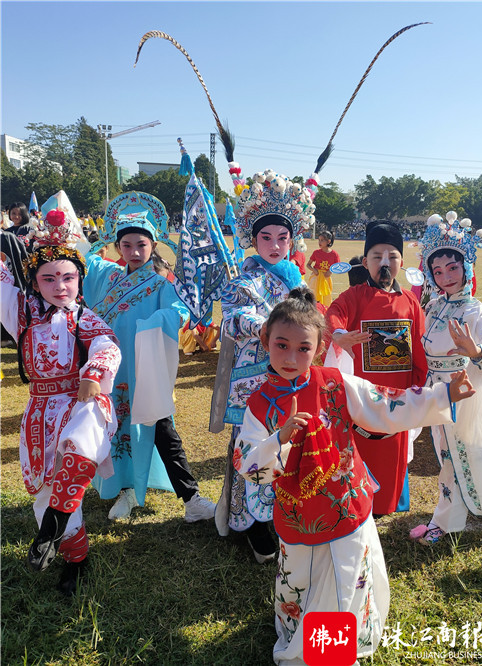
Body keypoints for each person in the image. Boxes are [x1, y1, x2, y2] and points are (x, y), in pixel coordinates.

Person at [234, 287, 474, 664]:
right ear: (266, 340)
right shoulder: (259, 402)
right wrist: (278, 439)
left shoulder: (334, 382)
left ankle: (335, 649)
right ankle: (304, 642)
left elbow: (387, 402)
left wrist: (443, 396)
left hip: (347, 502)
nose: (291, 357)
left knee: (348, 579)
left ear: (319, 347)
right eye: (281, 345)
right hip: (300, 514)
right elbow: (248, 464)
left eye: (303, 348)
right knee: (302, 581)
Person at [0, 207, 121, 595]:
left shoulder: (82, 317)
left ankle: (61, 513)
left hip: (77, 401)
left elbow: (107, 344)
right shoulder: (22, 313)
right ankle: (72, 553)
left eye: (68, 277)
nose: (60, 286)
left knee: (81, 438)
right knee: (44, 490)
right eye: (49, 278)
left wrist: (93, 374)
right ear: (34, 282)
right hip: (39, 410)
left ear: (79, 280)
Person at [83, 191, 215, 522]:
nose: (134, 252)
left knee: (162, 430)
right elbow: (85, 261)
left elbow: (178, 313)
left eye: (141, 245)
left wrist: (154, 322)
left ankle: (192, 499)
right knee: (113, 427)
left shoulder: (160, 285)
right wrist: (99, 240)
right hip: (113, 370)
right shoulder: (108, 276)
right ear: (118, 248)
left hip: (145, 369)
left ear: (153, 246)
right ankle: (125, 489)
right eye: (126, 245)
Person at [212, 168, 311, 563]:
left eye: (282, 237)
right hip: (253, 379)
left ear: (292, 240)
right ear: (253, 241)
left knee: (286, 445)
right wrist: (265, 328)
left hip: (290, 377)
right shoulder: (244, 282)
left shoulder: (296, 281)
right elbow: (231, 321)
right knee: (250, 445)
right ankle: (248, 520)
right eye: (266, 238)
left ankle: (278, 514)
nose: (275, 245)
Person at [325, 221, 428, 516]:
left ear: (401, 262)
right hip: (365, 394)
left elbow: (420, 343)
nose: (384, 263)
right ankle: (360, 500)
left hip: (399, 390)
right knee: (363, 446)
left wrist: (419, 384)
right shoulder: (355, 296)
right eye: (377, 256)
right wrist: (339, 334)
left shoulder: (410, 301)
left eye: (392, 256)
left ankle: (390, 501)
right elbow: (334, 313)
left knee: (394, 445)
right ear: (365, 261)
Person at [409, 212, 482, 544]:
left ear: (466, 268)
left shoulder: (473, 309)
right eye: (438, 271)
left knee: (461, 455)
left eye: (452, 268)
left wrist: (475, 350)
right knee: (448, 453)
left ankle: (447, 521)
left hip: (461, 392)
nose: (445, 276)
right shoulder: (434, 305)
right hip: (438, 393)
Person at [306, 230, 339, 307]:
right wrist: (314, 270)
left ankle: (324, 310)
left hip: (326, 279)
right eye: (319, 240)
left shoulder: (334, 254)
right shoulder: (316, 252)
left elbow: (337, 266)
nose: (319, 242)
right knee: (313, 297)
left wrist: (330, 271)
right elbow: (308, 265)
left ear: (328, 241)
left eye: (322, 240)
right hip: (315, 278)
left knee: (326, 297)